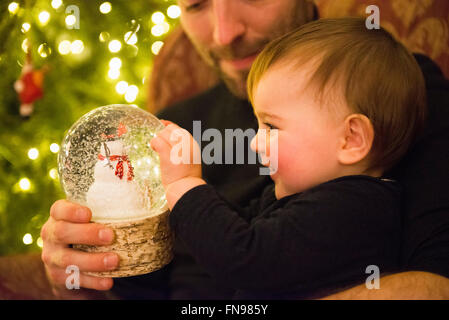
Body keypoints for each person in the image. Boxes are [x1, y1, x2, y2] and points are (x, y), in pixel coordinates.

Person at [41, 0, 449, 299]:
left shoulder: (394, 93)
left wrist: (186, 185)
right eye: (196, 4)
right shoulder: (176, 120)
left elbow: (438, 280)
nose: (224, 33)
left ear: (353, 137)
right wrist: (86, 277)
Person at [148, 17, 426, 299]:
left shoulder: (355, 210)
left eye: (271, 127)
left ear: (351, 139)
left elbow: (244, 259)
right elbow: (230, 227)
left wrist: (184, 185)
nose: (256, 143)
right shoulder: (305, 195)